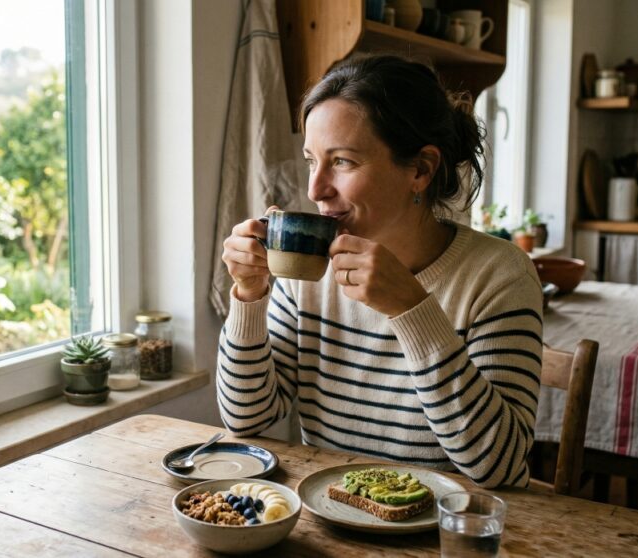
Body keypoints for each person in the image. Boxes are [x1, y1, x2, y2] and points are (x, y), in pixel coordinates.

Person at [217, 54, 542, 488]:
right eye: (312, 160)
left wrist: (411, 308)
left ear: (421, 169)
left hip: (449, 532)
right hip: (334, 515)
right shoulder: (309, 273)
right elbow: (247, 418)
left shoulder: (499, 274)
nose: (315, 189)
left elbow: (497, 466)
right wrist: (249, 297)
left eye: (344, 162)